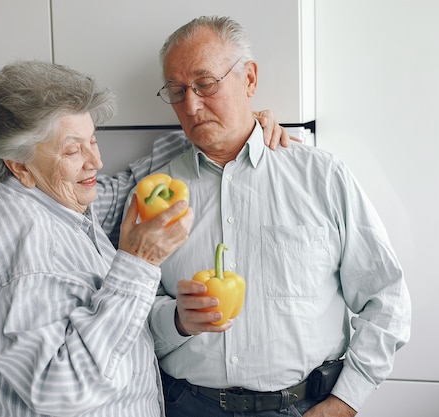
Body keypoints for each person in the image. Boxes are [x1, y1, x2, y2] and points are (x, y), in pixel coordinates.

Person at [0, 60, 289, 417]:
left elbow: (131, 183)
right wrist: (139, 261)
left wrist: (236, 127)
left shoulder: (54, 195)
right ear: (18, 164)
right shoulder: (20, 240)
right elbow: (66, 388)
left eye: (93, 140)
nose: (95, 161)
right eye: (73, 149)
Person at [146, 16, 412, 417]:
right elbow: (130, 311)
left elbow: (387, 299)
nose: (192, 105)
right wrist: (177, 321)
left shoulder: (321, 176)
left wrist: (344, 403)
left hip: (306, 405)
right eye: (177, 91)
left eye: (206, 84)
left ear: (249, 79)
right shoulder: (156, 191)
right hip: (186, 405)